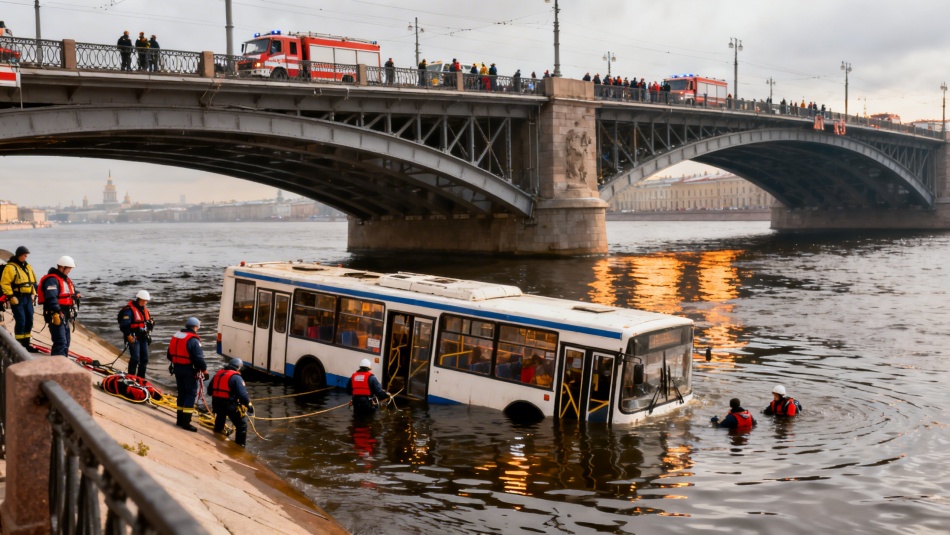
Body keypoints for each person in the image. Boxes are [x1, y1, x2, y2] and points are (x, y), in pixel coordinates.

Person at [167, 317, 208, 432]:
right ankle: (186, 423)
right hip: (188, 370)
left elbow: (169, 354)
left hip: (177, 368)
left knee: (181, 393)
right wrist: (204, 370)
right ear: (195, 327)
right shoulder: (193, 340)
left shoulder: (176, 336)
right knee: (190, 394)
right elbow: (198, 358)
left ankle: (179, 420)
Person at [39, 256, 79, 357]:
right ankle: (57, 363)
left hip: (65, 314)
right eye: (69, 268)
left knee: (66, 341)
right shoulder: (52, 280)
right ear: (62, 267)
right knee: (60, 342)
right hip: (56, 314)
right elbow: (51, 297)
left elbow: (67, 292)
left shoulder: (64, 279)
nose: (70, 270)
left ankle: (63, 361)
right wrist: (56, 311)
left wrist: (76, 294)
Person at [1, 246, 38, 352]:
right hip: (17, 298)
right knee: (21, 320)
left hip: (28, 298)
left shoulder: (27, 267)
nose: (26, 257)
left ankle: (26, 343)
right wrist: (11, 296)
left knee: (29, 320)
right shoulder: (10, 267)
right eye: (24, 255)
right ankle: (19, 345)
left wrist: (34, 293)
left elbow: (33, 282)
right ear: (19, 255)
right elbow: (4, 283)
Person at [210, 358, 252, 447]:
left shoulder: (218, 374)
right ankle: (240, 446)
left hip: (216, 404)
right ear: (238, 368)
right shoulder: (236, 377)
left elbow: (209, 391)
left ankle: (217, 434)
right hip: (228, 404)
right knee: (242, 424)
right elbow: (242, 395)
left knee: (220, 417)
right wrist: (248, 404)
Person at [118, 290, 154, 378]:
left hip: (143, 337)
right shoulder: (129, 310)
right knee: (135, 358)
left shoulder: (145, 310)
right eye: (145, 300)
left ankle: (141, 378)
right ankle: (131, 376)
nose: (146, 302)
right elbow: (124, 325)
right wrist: (128, 336)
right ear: (140, 299)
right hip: (133, 337)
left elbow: (148, 323)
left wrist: (151, 324)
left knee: (144, 359)